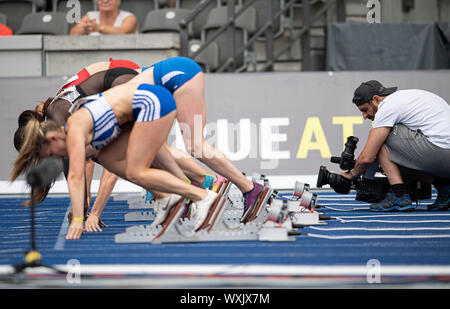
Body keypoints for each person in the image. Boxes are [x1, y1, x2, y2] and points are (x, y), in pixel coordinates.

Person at [13, 61, 215, 232]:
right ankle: (185, 192)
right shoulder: (57, 119)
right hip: (123, 81)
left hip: (127, 83)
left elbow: (81, 171)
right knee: (142, 155)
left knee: (132, 158)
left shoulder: (59, 120)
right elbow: (80, 170)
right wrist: (83, 208)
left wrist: (89, 213)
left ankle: (203, 186)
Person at [131, 56, 267, 223]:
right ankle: (192, 187)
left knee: (196, 146)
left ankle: (250, 189)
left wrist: (93, 213)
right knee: (158, 149)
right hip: (173, 78)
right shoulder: (104, 94)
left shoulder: (104, 101)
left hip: (178, 76)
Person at [340, 80, 450, 212]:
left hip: (442, 152)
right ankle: (444, 186)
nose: (364, 116)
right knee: (392, 160)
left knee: (380, 140)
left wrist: (351, 175)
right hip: (443, 155)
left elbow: (367, 158)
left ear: (376, 99)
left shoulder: (387, 106)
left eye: (364, 110)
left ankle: (399, 195)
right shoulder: (404, 98)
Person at [70, 0, 137, 35]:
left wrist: (98, 28)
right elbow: (73, 33)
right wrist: (83, 30)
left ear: (119, 1)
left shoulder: (129, 17)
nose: (105, 1)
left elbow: (123, 32)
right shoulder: (90, 15)